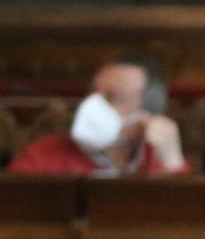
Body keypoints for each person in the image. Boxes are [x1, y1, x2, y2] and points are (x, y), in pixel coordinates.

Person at [8, 53, 188, 176]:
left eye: (111, 99)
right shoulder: (43, 155)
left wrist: (172, 164)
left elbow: (188, 224)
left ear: (146, 117)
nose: (91, 106)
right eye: (92, 93)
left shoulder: (158, 161)